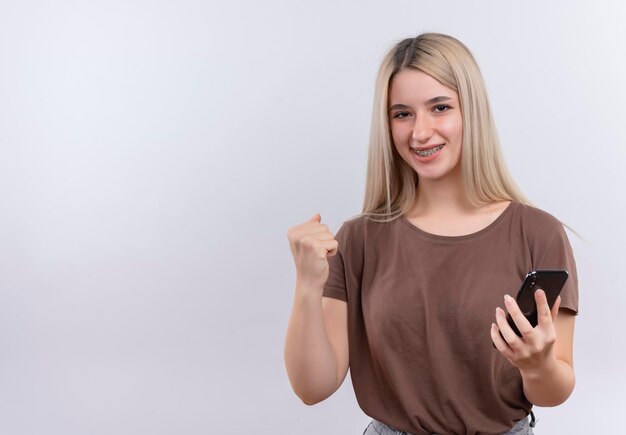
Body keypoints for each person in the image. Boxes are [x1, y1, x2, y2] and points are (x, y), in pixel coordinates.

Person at [284, 33, 578, 435]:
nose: (420, 132)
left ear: (471, 112)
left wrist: (537, 364)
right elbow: (312, 388)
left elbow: (555, 391)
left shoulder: (538, 233)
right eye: (402, 114)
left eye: (440, 107)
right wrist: (306, 284)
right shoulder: (359, 239)